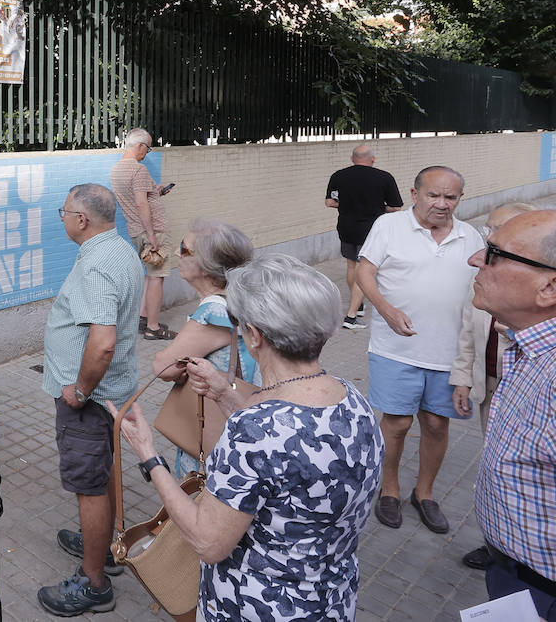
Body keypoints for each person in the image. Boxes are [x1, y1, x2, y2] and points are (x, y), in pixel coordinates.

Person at [112, 254, 385, 622]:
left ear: (254, 335)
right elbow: (285, 452)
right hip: (330, 602)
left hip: (255, 609)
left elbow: (208, 542)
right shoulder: (354, 401)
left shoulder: (254, 431)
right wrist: (226, 394)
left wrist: (149, 455)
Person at [357, 165, 482, 534]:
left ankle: (424, 494)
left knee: (435, 423)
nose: (442, 204)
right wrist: (386, 309)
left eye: (451, 197)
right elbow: (365, 272)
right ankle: (389, 489)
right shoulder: (388, 227)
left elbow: (482, 290)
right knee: (395, 424)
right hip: (395, 348)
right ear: (414, 194)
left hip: (449, 353)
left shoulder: (470, 236)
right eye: (433, 195)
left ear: (460, 199)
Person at [38, 183, 143, 617]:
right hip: (112, 390)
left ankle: (94, 583)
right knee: (102, 474)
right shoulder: (119, 249)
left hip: (90, 397)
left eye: (64, 211)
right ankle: (104, 546)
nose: (61, 217)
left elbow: (102, 343)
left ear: (81, 219)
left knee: (89, 486)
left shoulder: (98, 265)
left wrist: (80, 391)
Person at [469, 209, 556, 620]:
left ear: (552, 286)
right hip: (522, 581)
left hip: (554, 600)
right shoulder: (531, 342)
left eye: (494, 253)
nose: (475, 260)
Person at [451, 201, 537, 570]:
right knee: (494, 464)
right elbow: (467, 334)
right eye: (488, 231)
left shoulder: (538, 281)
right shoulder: (486, 276)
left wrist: (517, 332)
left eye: (496, 234)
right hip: (489, 385)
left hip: (523, 385)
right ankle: (495, 542)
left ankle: (526, 552)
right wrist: (462, 381)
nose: (486, 240)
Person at [151, 218, 258, 475]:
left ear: (208, 266)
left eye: (185, 249)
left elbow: (163, 367)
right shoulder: (239, 301)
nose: (177, 253)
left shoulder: (213, 313)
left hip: (214, 434)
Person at [325, 144, 403, 328]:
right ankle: (351, 317)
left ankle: (358, 304)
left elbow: (330, 202)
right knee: (364, 270)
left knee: (352, 266)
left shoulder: (338, 176)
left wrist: (346, 205)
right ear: (373, 159)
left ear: (352, 158)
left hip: (346, 227)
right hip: (370, 230)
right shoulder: (384, 177)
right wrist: (376, 207)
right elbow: (395, 207)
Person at [109, 127, 176, 340]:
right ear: (139, 146)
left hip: (136, 231)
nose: (147, 152)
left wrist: (156, 193)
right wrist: (153, 236)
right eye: (147, 147)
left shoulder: (117, 170)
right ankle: (153, 328)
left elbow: (139, 197)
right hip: (151, 231)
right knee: (158, 277)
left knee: (150, 274)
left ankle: (143, 317)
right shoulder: (138, 170)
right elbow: (140, 203)